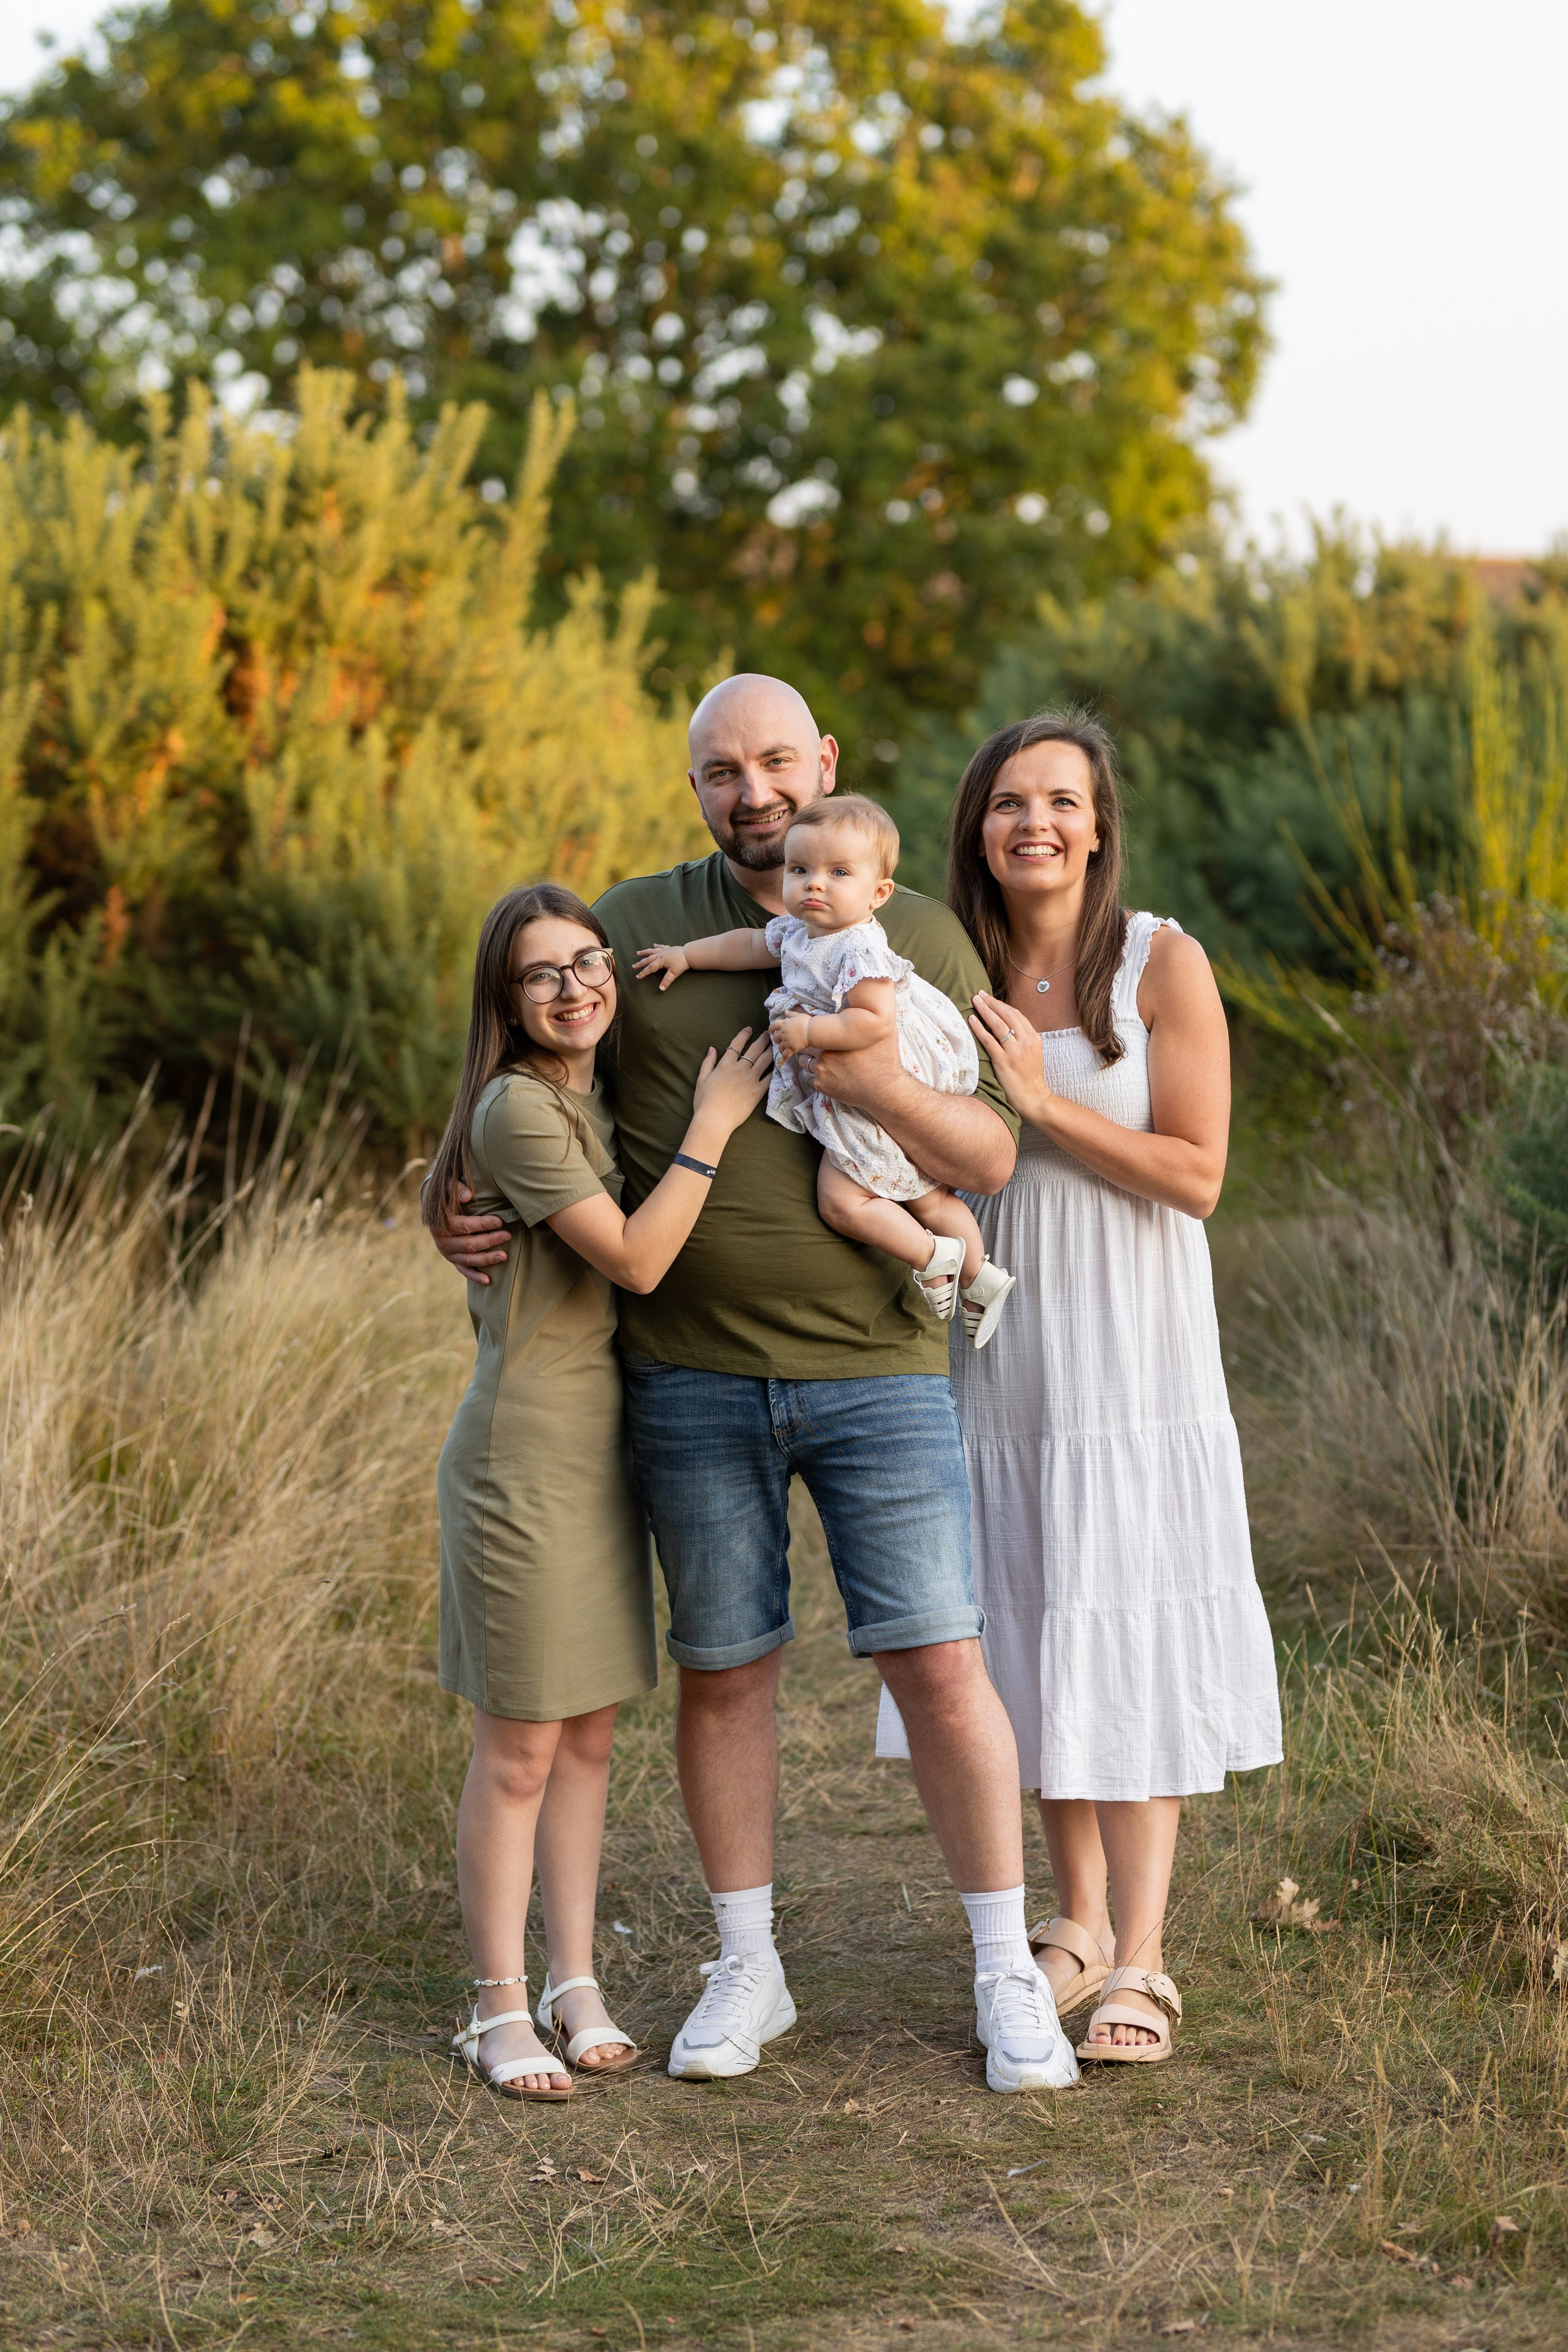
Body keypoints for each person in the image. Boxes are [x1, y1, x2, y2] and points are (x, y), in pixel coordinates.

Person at [434, 674, 1079, 2095]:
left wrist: (852, 1079)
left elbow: (983, 1158)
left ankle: (1000, 1973)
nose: (754, 791)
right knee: (722, 1675)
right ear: (695, 788)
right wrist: (453, 1199)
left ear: (825, 763)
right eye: (722, 770)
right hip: (683, 1377)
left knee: (939, 1662)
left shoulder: (903, 923)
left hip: (876, 1369)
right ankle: (748, 1964)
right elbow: (533, 1079)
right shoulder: (635, 925)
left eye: (778, 760)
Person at [878, 710, 1282, 2065]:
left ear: (1098, 824)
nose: (1031, 822)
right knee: (1030, 1612)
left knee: (1131, 1603)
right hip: (1001, 1337)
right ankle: (1076, 1922)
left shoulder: (1158, 964)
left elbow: (1199, 1174)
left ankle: (1146, 1956)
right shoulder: (944, 965)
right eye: (1005, 802)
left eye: (1058, 799)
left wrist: (1038, 1104)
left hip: (1133, 1339)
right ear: (974, 829)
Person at [424, 881, 771, 2100]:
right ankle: (492, 2008)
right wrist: (717, 1122)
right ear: (505, 1003)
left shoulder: (593, 1098)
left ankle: (573, 1984)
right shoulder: (518, 1106)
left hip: (603, 1453)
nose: (574, 987)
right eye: (540, 974)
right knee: (519, 1746)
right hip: (524, 1460)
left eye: (587, 962)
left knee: (583, 1742)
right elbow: (633, 1257)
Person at [633, 791, 1016, 1347]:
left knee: (842, 1201)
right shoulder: (799, 932)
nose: (815, 883)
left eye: (838, 872)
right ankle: (983, 1278)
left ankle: (934, 1257)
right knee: (928, 1198)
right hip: (851, 1085)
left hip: (873, 1082)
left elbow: (874, 1023)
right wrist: (689, 955)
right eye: (801, 869)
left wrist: (810, 1032)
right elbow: (746, 946)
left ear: (878, 893)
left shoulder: (858, 948)